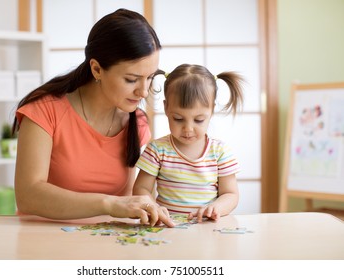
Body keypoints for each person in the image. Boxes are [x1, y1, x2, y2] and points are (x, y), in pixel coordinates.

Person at [13, 9, 174, 227]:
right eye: (131, 79)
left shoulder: (138, 122)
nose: (143, 92)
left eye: (150, 78)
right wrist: (109, 204)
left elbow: (137, 197)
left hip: (110, 243)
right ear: (97, 69)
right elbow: (28, 195)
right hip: (45, 241)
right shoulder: (44, 111)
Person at [133, 64, 244, 222]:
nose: (188, 129)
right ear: (166, 108)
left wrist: (216, 208)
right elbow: (141, 188)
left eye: (198, 120)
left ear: (212, 110)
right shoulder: (157, 150)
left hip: (206, 229)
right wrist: (153, 208)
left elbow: (231, 194)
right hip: (167, 228)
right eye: (178, 119)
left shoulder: (220, 151)